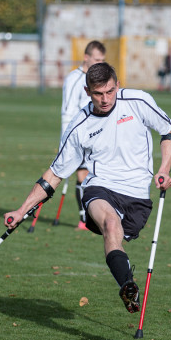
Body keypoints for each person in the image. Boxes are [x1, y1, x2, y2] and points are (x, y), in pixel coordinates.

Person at [4, 63, 171, 314]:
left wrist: (164, 170)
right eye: (98, 94)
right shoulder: (80, 126)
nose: (105, 99)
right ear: (87, 92)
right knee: (109, 224)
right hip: (101, 186)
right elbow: (54, 174)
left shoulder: (138, 100)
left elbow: (170, 131)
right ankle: (127, 285)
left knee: (118, 233)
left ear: (117, 85)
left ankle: (127, 285)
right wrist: (22, 210)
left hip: (137, 194)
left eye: (109, 91)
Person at [61, 40, 106, 230]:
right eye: (96, 59)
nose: (99, 63)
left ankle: (92, 218)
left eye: (102, 60)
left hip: (96, 134)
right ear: (86, 57)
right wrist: (66, 140)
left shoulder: (95, 79)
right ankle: (84, 220)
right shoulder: (75, 79)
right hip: (78, 136)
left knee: (94, 175)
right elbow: (67, 111)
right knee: (84, 175)